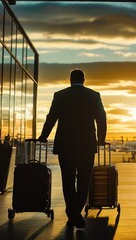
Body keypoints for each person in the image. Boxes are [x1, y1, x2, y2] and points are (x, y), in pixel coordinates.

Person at [38, 69, 107, 228]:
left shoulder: (60, 95)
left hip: (65, 145)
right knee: (84, 180)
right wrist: (100, 140)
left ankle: (73, 213)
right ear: (84, 79)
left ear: (70, 80)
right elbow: (101, 118)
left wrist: (43, 136)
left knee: (67, 180)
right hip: (87, 145)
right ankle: (75, 212)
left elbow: (51, 118)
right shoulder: (93, 95)